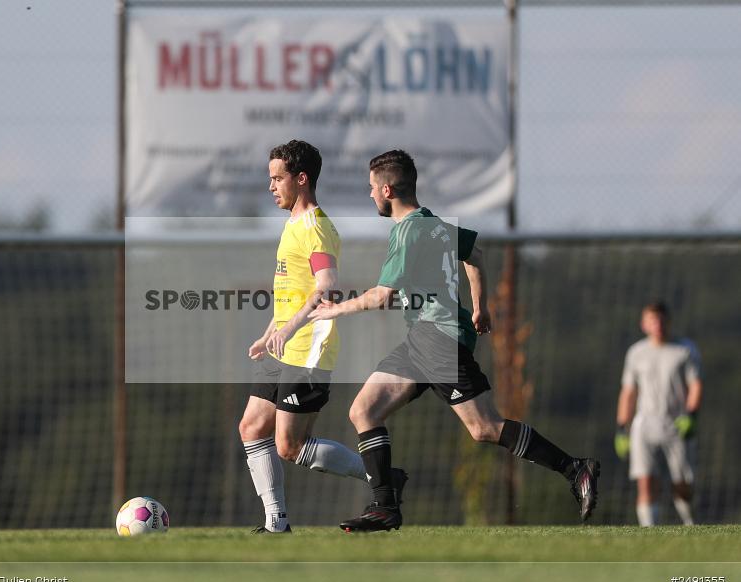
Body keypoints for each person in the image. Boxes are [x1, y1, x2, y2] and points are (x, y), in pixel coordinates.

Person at [309, 149, 600, 532]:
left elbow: (382, 296)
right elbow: (475, 254)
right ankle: (385, 505)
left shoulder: (408, 231)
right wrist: (481, 307)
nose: (369, 196)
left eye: (371, 189)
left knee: (484, 428)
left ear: (387, 188)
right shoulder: (434, 225)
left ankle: (574, 468)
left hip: (437, 339)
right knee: (364, 410)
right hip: (425, 338)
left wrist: (332, 311)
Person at [238, 140, 406, 533]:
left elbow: (327, 285)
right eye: (270, 179)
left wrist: (292, 329)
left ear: (301, 179)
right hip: (283, 348)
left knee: (290, 447)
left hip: (308, 351)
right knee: (251, 427)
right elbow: (290, 292)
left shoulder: (316, 227)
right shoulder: (291, 224)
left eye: (277, 178)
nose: (271, 186)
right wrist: (270, 334)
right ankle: (275, 522)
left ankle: (382, 478)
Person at [615, 301, 702, 526]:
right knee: (645, 481)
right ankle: (648, 530)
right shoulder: (636, 353)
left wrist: (691, 415)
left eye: (661, 320)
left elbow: (695, 385)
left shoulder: (685, 349)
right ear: (644, 324)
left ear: (668, 322)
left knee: (682, 483)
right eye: (653, 321)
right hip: (644, 424)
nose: (658, 325)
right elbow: (628, 392)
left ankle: (689, 521)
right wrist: (621, 428)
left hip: (676, 423)